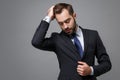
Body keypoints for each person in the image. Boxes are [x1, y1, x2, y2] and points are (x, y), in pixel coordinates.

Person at [32, 3, 112, 80]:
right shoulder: (57, 39)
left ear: (74, 16)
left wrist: (91, 70)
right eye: (61, 23)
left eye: (67, 21)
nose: (65, 26)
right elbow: (36, 42)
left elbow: (107, 64)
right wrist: (48, 17)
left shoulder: (93, 35)